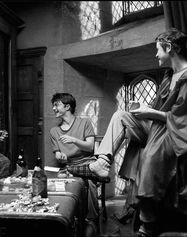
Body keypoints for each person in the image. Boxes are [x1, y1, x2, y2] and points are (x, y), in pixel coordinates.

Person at [67, 28, 187, 237]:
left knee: (149, 157)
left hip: (173, 128)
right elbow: (158, 105)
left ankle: (147, 225)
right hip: (155, 124)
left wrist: (150, 112)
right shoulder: (169, 75)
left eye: (158, 49)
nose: (156, 54)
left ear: (169, 47)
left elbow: (181, 117)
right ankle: (103, 162)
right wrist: (143, 108)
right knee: (120, 115)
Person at [50, 93, 109, 236]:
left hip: (87, 162)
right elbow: (57, 154)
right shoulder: (54, 131)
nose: (53, 108)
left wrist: (73, 140)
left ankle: (91, 220)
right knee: (66, 178)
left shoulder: (85, 122)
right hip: (69, 165)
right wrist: (61, 157)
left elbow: (90, 147)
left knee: (89, 181)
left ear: (67, 106)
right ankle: (72, 220)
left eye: (56, 104)